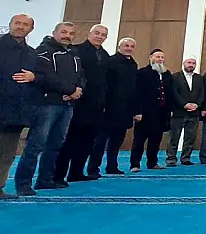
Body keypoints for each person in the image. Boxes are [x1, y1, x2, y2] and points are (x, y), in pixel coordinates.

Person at [15, 22, 85, 195]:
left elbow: (81, 76)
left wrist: (78, 91)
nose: (67, 35)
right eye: (63, 32)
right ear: (54, 32)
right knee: (36, 145)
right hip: (47, 104)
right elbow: (47, 77)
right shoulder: (43, 52)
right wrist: (70, 90)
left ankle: (45, 180)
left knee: (55, 144)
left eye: (71, 33)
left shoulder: (74, 53)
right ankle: (23, 183)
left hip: (67, 105)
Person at [56, 24, 108, 183]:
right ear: (89, 33)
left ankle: (76, 172)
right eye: (97, 33)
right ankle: (58, 175)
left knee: (87, 141)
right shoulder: (77, 50)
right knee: (70, 140)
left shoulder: (105, 55)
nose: (99, 36)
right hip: (79, 102)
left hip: (97, 106)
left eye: (103, 35)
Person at [0, 14, 43, 199]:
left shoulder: (32, 54)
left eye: (25, 25)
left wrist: (34, 77)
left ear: (31, 29)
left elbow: (43, 78)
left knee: (7, 154)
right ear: (10, 25)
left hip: (16, 111)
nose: (20, 27)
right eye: (17, 23)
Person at [88, 37, 138, 176]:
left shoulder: (133, 64)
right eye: (126, 45)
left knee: (117, 141)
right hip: (110, 108)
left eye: (131, 46)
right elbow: (105, 85)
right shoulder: (111, 62)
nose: (129, 48)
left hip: (125, 110)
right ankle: (93, 168)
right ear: (119, 47)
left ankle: (112, 166)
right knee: (101, 141)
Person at [130, 49, 174, 172]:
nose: (160, 59)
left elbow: (169, 93)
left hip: (161, 113)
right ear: (150, 58)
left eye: (162, 57)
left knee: (155, 140)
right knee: (139, 140)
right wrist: (137, 112)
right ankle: (135, 164)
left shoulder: (166, 74)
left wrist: (169, 110)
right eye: (158, 56)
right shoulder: (142, 73)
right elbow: (136, 93)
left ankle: (152, 162)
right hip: (145, 113)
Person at [166, 56, 203, 167]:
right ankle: (171, 159)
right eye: (189, 62)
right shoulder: (175, 77)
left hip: (194, 113)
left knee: (190, 137)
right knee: (174, 137)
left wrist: (197, 105)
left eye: (193, 63)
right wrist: (184, 104)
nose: (191, 65)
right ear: (183, 63)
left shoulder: (199, 78)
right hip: (179, 112)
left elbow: (203, 94)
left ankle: (186, 158)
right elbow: (174, 93)